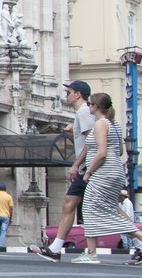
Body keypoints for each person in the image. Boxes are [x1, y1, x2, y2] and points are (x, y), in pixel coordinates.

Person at [71, 93, 142, 264]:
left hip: (104, 173)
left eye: (89, 104)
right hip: (114, 171)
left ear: (96, 106)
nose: (88, 107)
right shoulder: (114, 124)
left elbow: (102, 153)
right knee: (103, 209)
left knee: (89, 209)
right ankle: (92, 252)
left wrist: (89, 171)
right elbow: (119, 151)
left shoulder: (100, 124)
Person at [31, 80, 96, 261]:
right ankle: (55, 248)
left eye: (69, 92)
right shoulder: (82, 113)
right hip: (86, 166)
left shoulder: (84, 112)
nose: (66, 96)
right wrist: (73, 133)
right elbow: (86, 141)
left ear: (78, 94)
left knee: (108, 207)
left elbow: (92, 142)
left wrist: (76, 164)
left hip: (88, 167)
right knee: (69, 203)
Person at [119, 189, 142, 258]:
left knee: (130, 235)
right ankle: (138, 248)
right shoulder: (124, 203)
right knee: (130, 235)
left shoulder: (127, 203)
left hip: (127, 221)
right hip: (126, 221)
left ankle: (138, 248)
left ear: (122, 196)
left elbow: (127, 213)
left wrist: (125, 221)